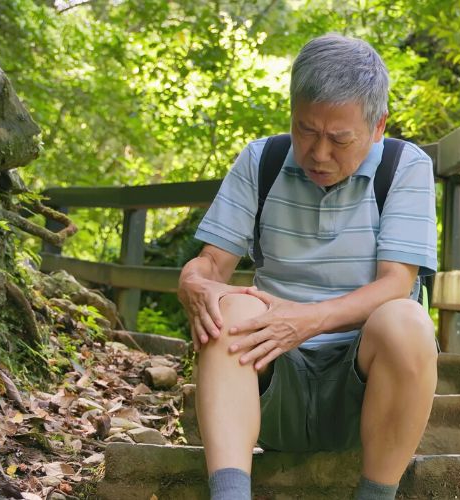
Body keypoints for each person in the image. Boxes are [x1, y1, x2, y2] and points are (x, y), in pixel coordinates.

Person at [177, 33, 438, 500]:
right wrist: (194, 280)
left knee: (407, 320)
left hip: (363, 396)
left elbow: (397, 283)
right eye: (305, 131)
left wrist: (308, 320)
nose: (319, 154)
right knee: (230, 314)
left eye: (339, 139)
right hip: (272, 383)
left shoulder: (404, 166)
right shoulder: (262, 160)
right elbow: (211, 265)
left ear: (378, 126)